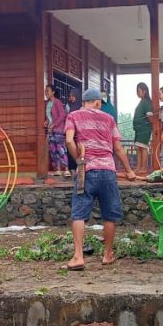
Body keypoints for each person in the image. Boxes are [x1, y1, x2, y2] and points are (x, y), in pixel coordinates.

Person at [62, 88, 136, 271]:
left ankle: (78, 256)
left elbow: (69, 141)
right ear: (96, 102)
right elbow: (118, 148)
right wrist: (129, 170)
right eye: (100, 103)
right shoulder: (109, 119)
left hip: (85, 171)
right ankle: (108, 255)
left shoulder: (73, 116)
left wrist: (79, 160)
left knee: (79, 213)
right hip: (108, 171)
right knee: (109, 215)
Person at [45, 85, 70, 177]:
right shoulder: (47, 103)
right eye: (45, 91)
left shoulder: (57, 102)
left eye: (48, 91)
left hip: (58, 130)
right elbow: (49, 116)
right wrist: (47, 122)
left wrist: (54, 124)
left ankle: (66, 169)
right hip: (51, 130)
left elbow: (62, 116)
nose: (46, 93)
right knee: (53, 150)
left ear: (53, 92)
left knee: (61, 149)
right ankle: (58, 169)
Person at [132, 82, 153, 175]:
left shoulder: (146, 102)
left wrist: (152, 125)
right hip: (139, 129)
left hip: (144, 129)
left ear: (144, 91)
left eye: (139, 91)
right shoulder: (142, 101)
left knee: (143, 147)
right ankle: (138, 167)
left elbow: (149, 116)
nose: (137, 93)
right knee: (138, 148)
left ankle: (143, 168)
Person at [65, 88, 82, 176]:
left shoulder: (81, 106)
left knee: (79, 149)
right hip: (70, 132)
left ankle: (79, 169)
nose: (71, 98)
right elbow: (66, 116)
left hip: (79, 132)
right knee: (70, 150)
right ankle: (72, 169)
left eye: (73, 96)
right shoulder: (68, 105)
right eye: (70, 96)